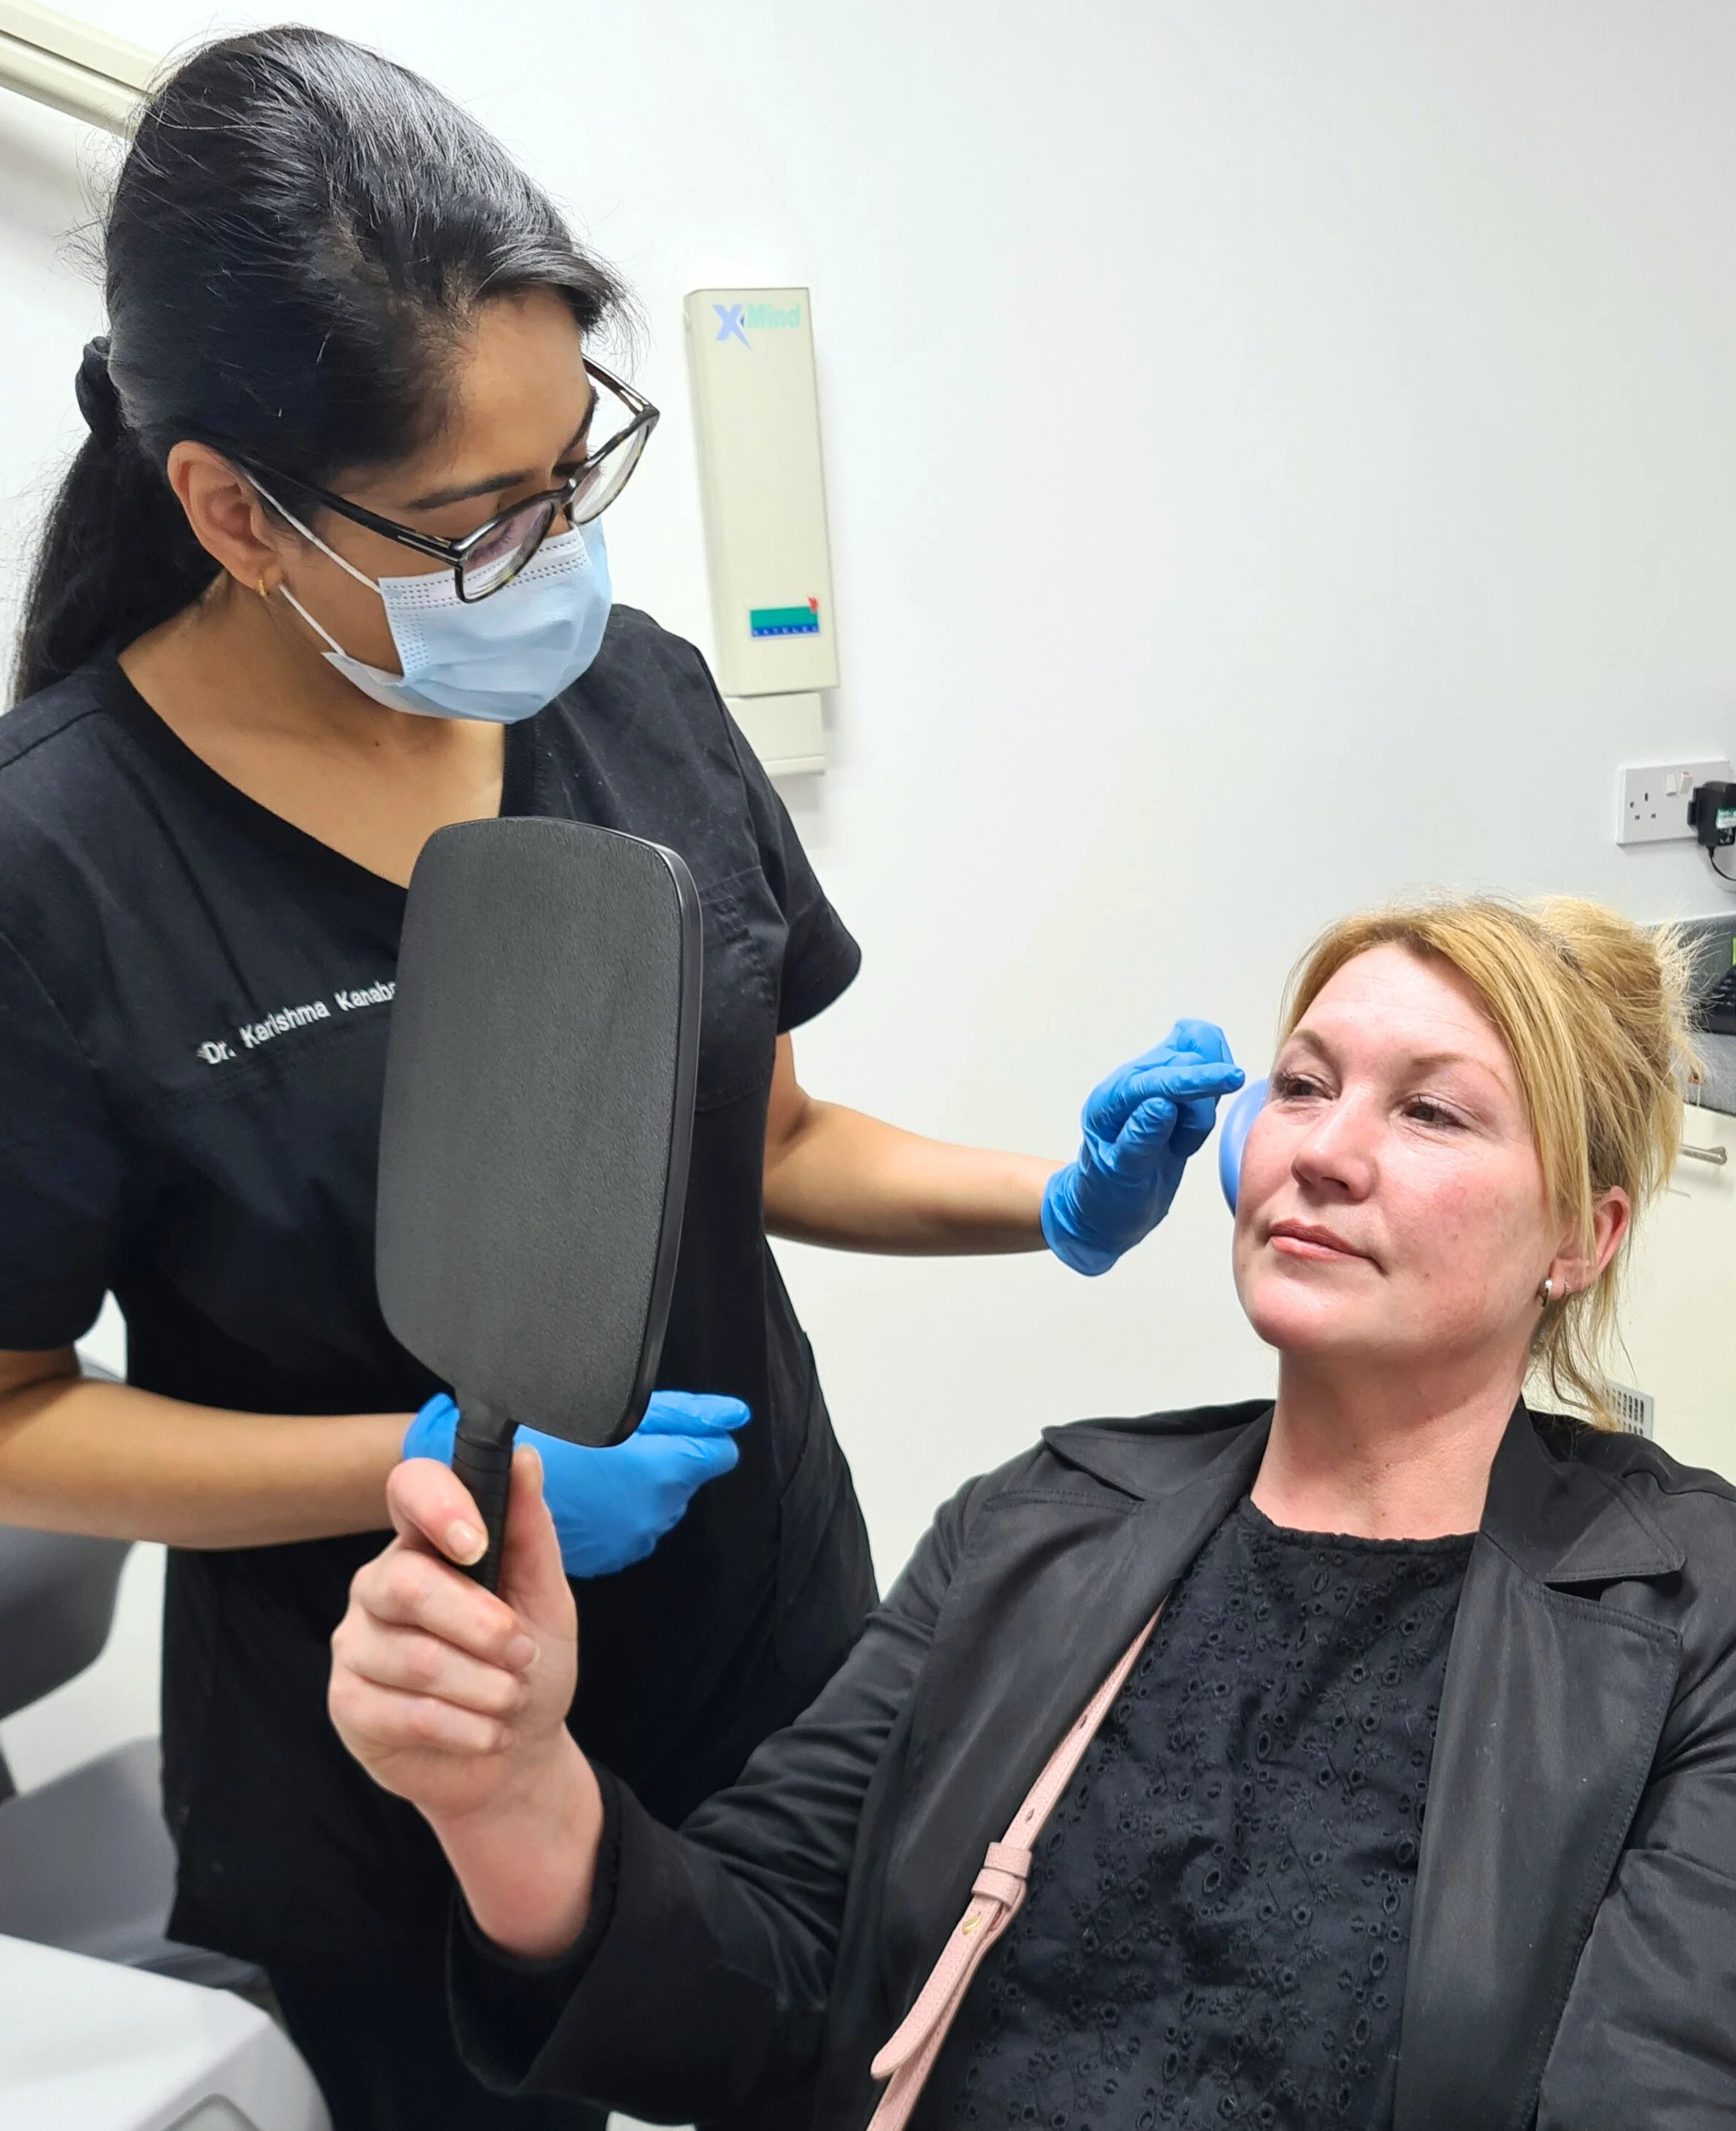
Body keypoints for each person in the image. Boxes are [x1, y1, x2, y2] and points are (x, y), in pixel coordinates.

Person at [0, 28, 1243, 2131]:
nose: (558, 553)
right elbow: (16, 1416)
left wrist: (1047, 1201)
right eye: (480, 520)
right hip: (389, 1741)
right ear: (230, 509)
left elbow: (769, 1141)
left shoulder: (631, 697)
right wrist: (416, 1462)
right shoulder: (59, 868)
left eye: (576, 472)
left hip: (772, 1663)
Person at [332, 894, 1736, 2131]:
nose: (1323, 1151)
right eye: (1302, 1087)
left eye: (1429, 1112)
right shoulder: (1035, 1523)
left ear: (1582, 1235)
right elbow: (760, 1980)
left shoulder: (1689, 1617)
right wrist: (508, 1786)